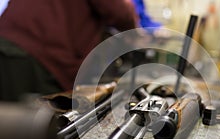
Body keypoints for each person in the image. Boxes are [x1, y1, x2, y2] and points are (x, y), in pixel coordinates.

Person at [0, 0, 138, 101]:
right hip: (40, 54)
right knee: (40, 128)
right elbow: (119, 10)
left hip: (6, 40)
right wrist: (135, 32)